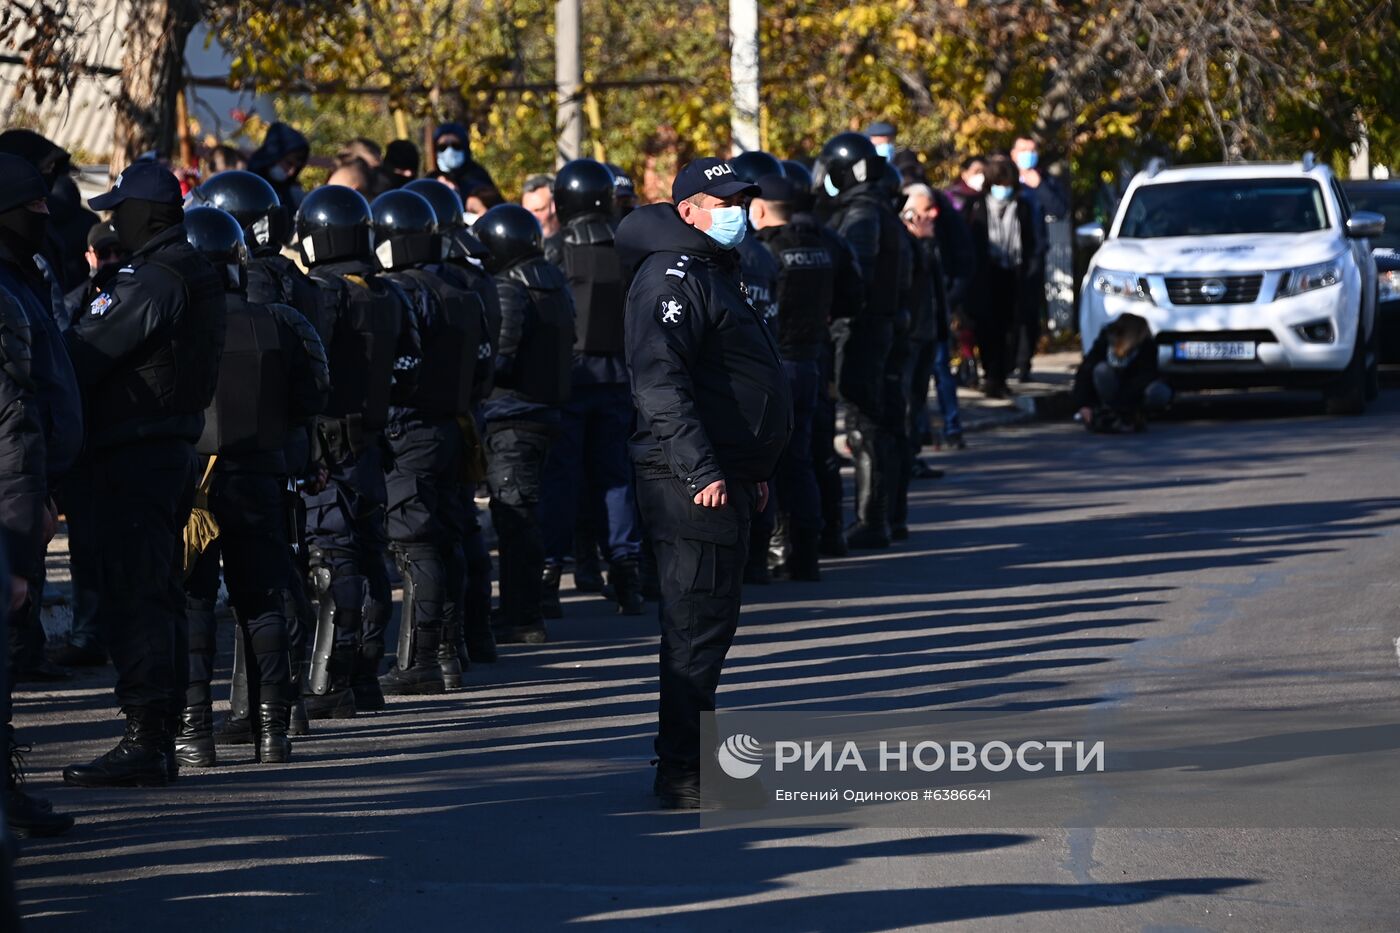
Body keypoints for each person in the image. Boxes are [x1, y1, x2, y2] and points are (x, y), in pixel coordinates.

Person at [616, 157, 792, 808]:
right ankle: (684, 771)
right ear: (688, 209)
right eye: (725, 203)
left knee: (710, 624)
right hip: (688, 478)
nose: (738, 212)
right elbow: (659, 382)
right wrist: (703, 467)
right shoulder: (670, 275)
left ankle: (690, 760)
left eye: (743, 201)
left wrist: (751, 468)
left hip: (727, 475)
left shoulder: (713, 269)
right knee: (694, 625)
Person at [61, 161, 227, 788]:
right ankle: (158, 734)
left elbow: (85, 351)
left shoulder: (151, 278)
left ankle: (146, 739)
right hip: (164, 450)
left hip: (137, 455)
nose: (112, 223)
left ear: (146, 215)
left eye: (119, 211)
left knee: (139, 596)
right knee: (158, 593)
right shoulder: (189, 268)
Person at [177, 207, 328, 767]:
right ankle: (272, 732)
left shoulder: (173, 325)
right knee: (262, 601)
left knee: (192, 601)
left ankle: (194, 733)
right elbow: (312, 396)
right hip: (260, 476)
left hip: (193, 480)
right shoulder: (281, 322)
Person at [295, 185, 403, 719]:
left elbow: (310, 368)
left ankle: (331, 679)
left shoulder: (327, 292)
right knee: (369, 555)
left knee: (332, 557)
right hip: (371, 443)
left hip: (331, 446)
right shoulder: (387, 293)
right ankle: (364, 674)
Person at [370, 189, 482, 693]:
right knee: (446, 537)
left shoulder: (402, 292)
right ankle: (449, 651)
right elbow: (484, 365)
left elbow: (396, 368)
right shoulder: (463, 289)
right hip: (453, 426)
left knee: (417, 545)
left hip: (410, 427)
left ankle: (419, 661)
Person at [0, 154, 78, 834]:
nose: (45, 219)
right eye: (32, 208)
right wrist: (22, 547)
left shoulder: (23, 278)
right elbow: (13, 427)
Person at [539, 159, 644, 617]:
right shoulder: (629, 248)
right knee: (615, 478)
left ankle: (548, 575)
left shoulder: (556, 249)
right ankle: (626, 572)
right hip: (619, 375)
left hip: (568, 377)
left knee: (561, 480)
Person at [405, 177, 501, 667]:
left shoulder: (426, 285)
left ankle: (444, 645)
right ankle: (469, 636)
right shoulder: (473, 279)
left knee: (429, 533)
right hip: (464, 415)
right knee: (459, 527)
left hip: (428, 419)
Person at [749, 172, 860, 580]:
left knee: (768, 464)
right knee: (803, 461)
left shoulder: (765, 252)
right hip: (811, 362)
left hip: (775, 364)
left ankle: (772, 550)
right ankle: (807, 552)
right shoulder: (821, 247)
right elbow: (852, 297)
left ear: (760, 210)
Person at [476, 204, 574, 645]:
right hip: (542, 413)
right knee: (523, 516)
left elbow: (500, 357)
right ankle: (523, 608)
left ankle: (522, 615)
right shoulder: (552, 280)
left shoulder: (510, 288)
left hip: (512, 416)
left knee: (514, 518)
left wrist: (469, 377)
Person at [819, 132, 908, 550]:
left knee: (864, 425)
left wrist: (839, 314)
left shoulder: (862, 212)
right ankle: (890, 516)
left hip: (864, 330)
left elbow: (857, 274)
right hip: (886, 326)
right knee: (884, 422)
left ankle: (873, 519)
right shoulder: (880, 208)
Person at [726, 151, 783, 582]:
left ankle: (752, 557)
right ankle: (760, 557)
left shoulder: (736, 253)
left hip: (741, 375)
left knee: (748, 472)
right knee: (764, 469)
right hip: (769, 369)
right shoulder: (762, 252)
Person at [961, 154, 1044, 399]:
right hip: (984, 276)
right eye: (998, 184)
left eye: (1007, 185)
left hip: (1013, 274)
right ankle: (992, 376)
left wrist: (1029, 271)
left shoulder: (1022, 207)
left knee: (1010, 329)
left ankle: (1002, 374)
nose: (1003, 190)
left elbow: (1032, 242)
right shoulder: (976, 206)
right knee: (987, 329)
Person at [900, 184, 965, 457]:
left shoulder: (929, 243)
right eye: (926, 210)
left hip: (931, 330)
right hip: (913, 332)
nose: (933, 215)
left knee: (921, 392)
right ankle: (909, 452)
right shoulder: (906, 246)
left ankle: (918, 449)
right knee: (909, 397)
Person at [1072, 312, 1171, 433]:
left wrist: (1126, 406)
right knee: (1101, 370)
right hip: (1109, 391)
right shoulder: (1105, 342)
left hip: (1134, 395)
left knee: (1160, 391)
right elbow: (1085, 371)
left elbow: (1145, 377)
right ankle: (1112, 412)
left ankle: (1132, 415)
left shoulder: (1147, 346)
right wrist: (1083, 405)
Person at [63, 222, 128, 321]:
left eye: (118, 251)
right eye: (103, 253)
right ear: (88, 257)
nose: (113, 259)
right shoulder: (73, 304)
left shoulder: (135, 285)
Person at [247, 122, 311, 220]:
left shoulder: (293, 193)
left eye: (297, 167)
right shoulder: (247, 183)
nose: (291, 172)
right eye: (289, 163)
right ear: (274, 156)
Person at [431, 122, 496, 193]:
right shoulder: (431, 180)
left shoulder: (479, 176)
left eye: (455, 145)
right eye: (442, 147)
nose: (449, 151)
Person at [521, 174, 560, 239]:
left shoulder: (575, 239)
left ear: (555, 205)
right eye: (527, 212)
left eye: (538, 210)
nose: (533, 217)